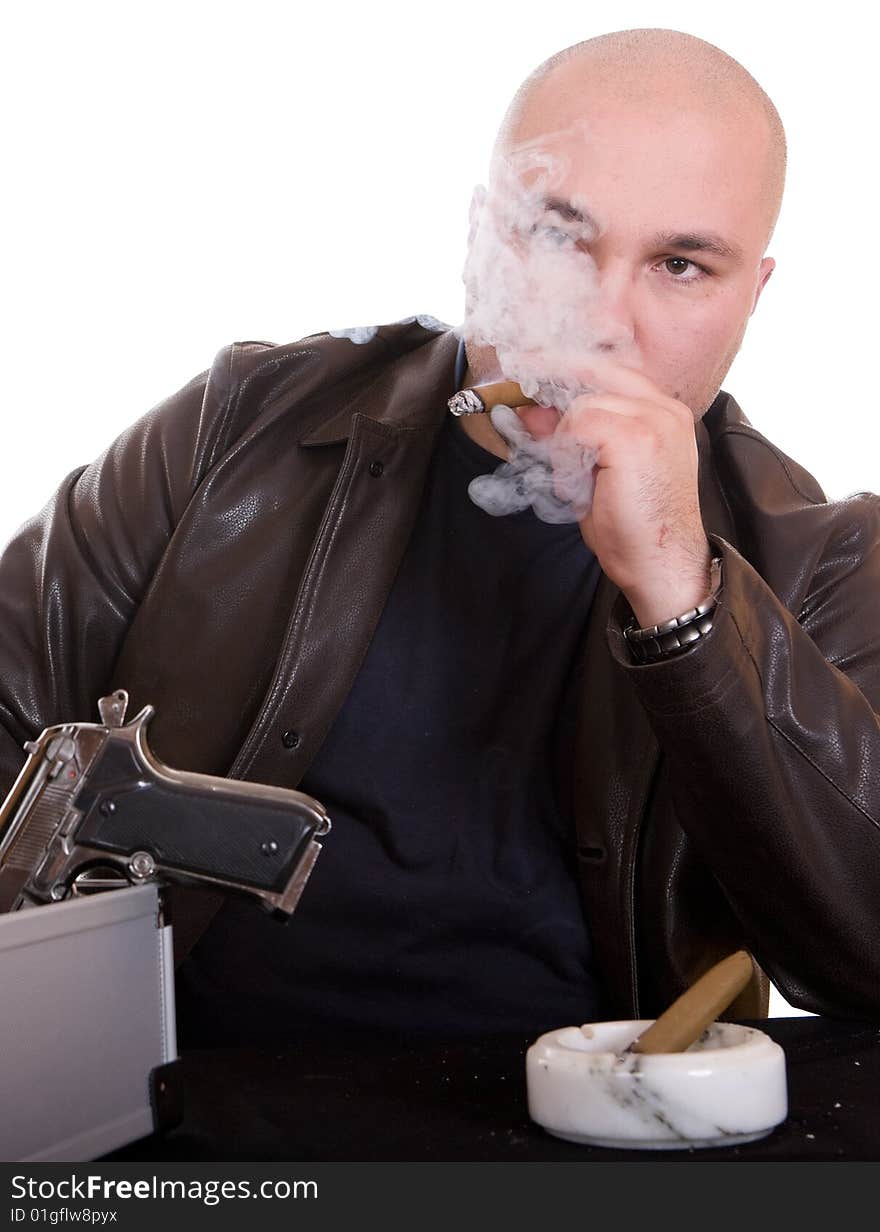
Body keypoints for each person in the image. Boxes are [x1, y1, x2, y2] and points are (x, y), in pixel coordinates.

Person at [1, 27, 878, 1047]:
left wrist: (683, 597)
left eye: (681, 264)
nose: (600, 321)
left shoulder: (819, 557)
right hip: (183, 1108)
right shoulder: (240, 427)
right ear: (478, 235)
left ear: (751, 298)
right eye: (556, 237)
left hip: (589, 1142)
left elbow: (860, 961)